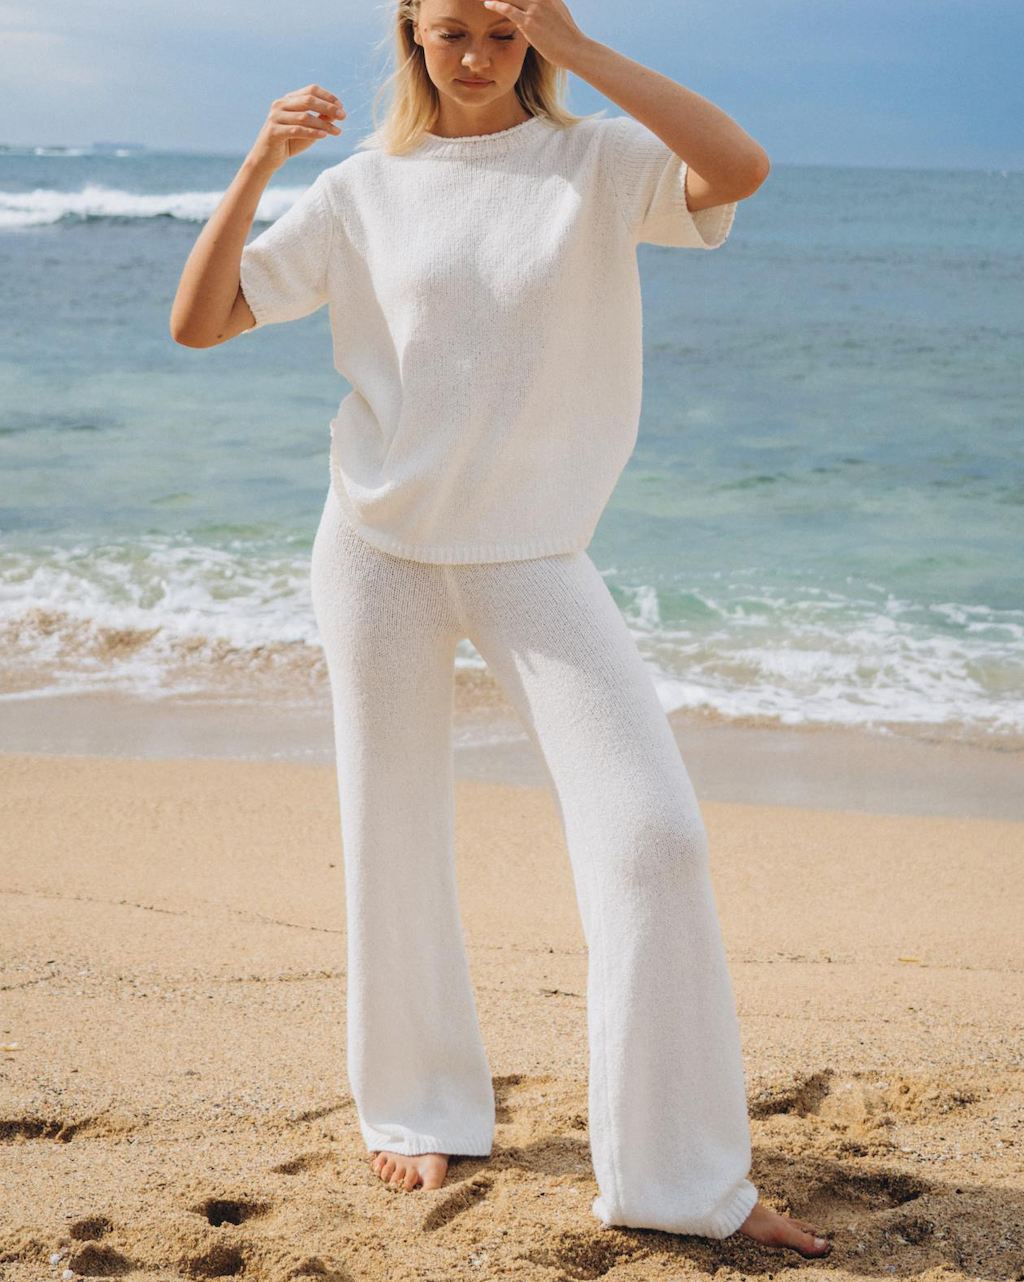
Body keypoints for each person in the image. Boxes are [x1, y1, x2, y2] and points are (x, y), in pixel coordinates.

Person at [171, 0, 831, 1260]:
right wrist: (260, 167)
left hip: (534, 554)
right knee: (392, 828)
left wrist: (580, 50)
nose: (474, 56)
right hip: (374, 552)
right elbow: (200, 323)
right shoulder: (367, 189)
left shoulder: (597, 162)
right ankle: (419, 1104)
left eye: (500, 31)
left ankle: (680, 1179)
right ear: (412, 40)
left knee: (653, 840)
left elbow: (738, 169)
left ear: (531, 37)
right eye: (449, 32)